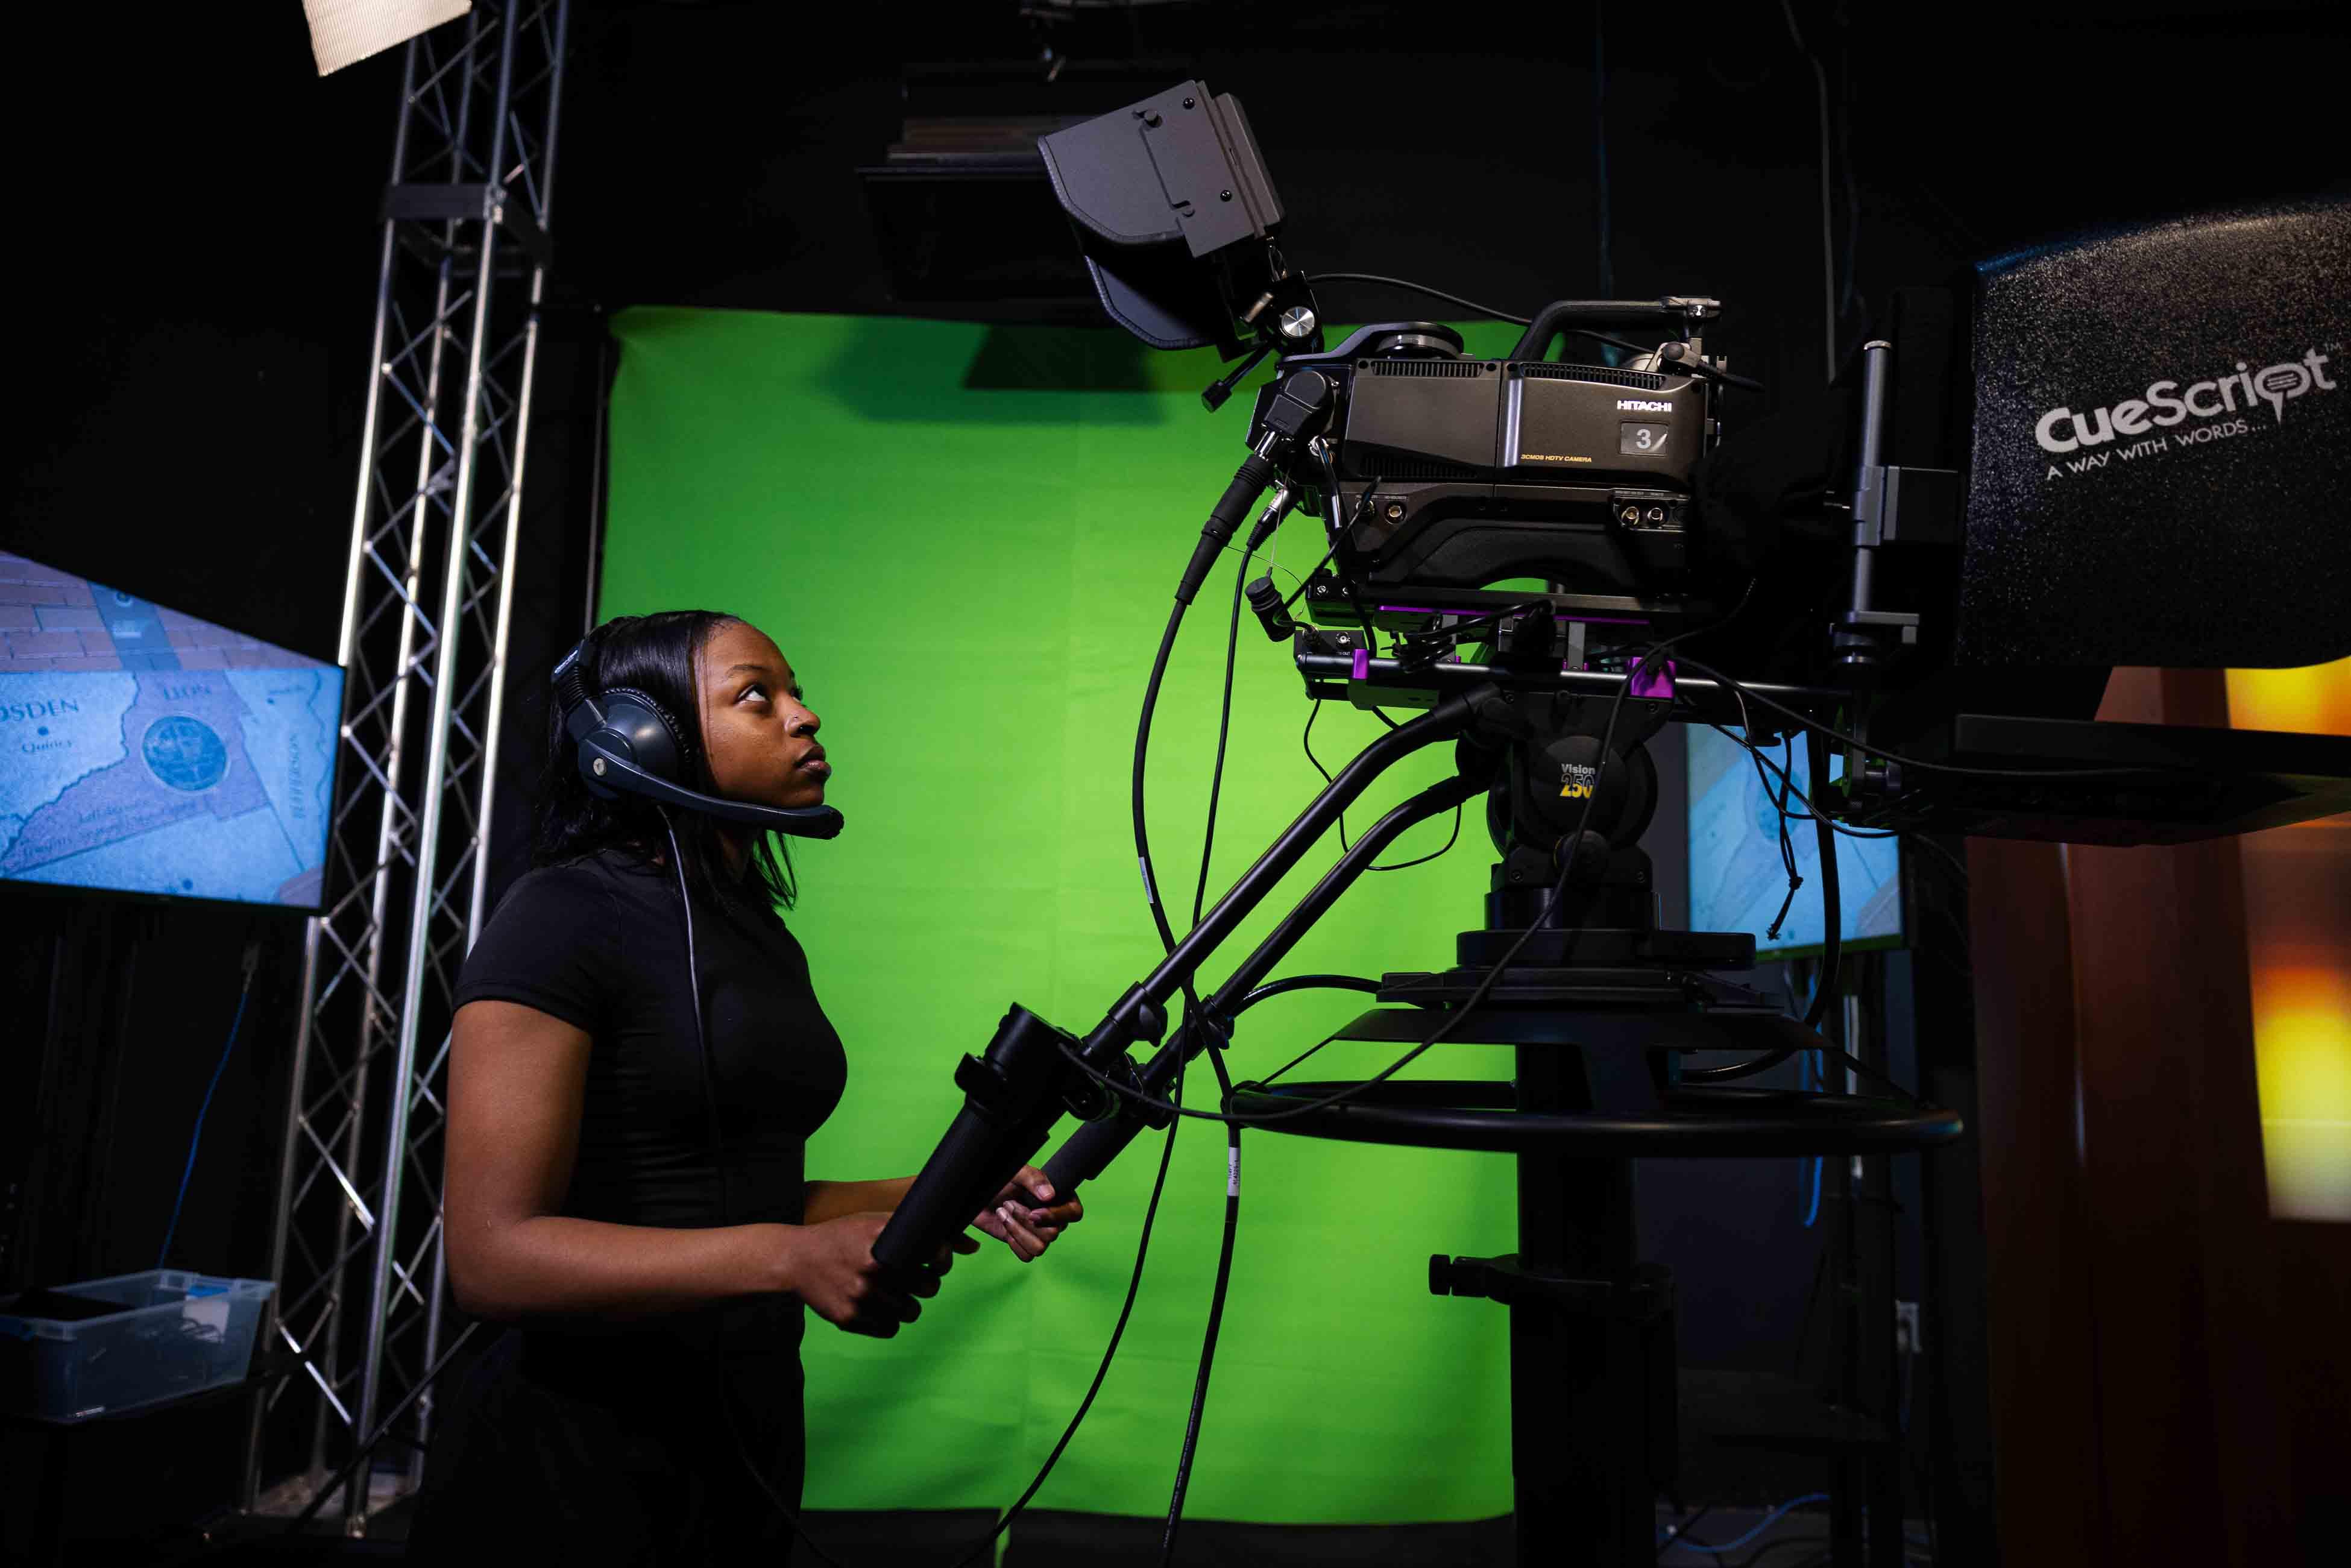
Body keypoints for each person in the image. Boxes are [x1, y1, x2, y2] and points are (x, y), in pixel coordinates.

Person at [406, 609, 1081, 1561]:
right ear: (643, 737)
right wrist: (787, 1261)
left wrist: (963, 1191)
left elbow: (745, 1194)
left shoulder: (758, 935)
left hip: (745, 1447)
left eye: (796, 690)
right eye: (757, 696)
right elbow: (490, 1256)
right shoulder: (556, 917)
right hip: (573, 1471)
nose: (804, 716)